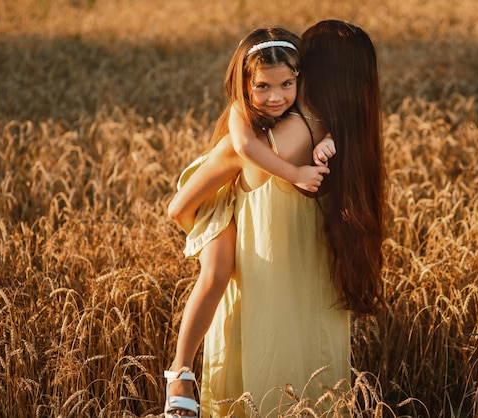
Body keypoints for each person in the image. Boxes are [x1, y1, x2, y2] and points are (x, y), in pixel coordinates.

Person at [182, 20, 385, 417]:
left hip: (265, 314)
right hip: (317, 319)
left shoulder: (269, 143)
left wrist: (210, 237)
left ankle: (179, 370)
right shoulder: (347, 140)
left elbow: (180, 207)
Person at [164, 26, 335, 418]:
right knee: (216, 274)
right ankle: (179, 369)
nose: (275, 97)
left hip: (237, 195)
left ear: (299, 80)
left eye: (286, 84)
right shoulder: (240, 113)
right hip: (215, 201)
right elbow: (243, 148)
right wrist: (294, 174)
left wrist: (329, 142)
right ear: (244, 84)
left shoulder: (303, 111)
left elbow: (331, 125)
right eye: (263, 87)